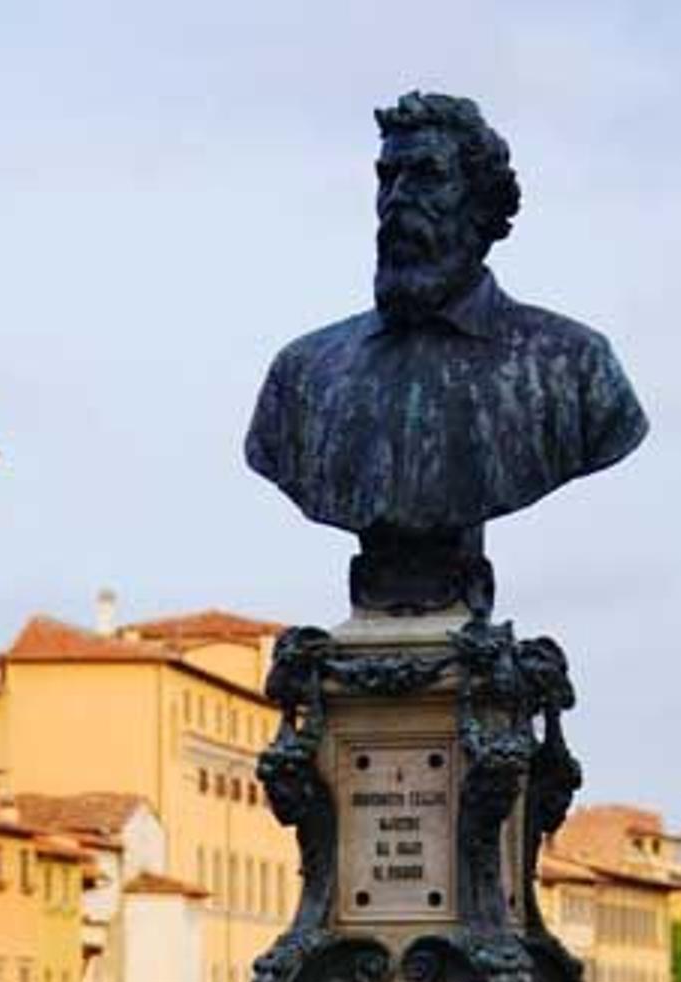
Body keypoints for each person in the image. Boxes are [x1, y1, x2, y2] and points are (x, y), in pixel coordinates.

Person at [245, 91, 648, 613]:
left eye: (427, 177)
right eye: (387, 179)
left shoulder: (572, 367)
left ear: (483, 204)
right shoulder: (303, 375)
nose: (397, 200)